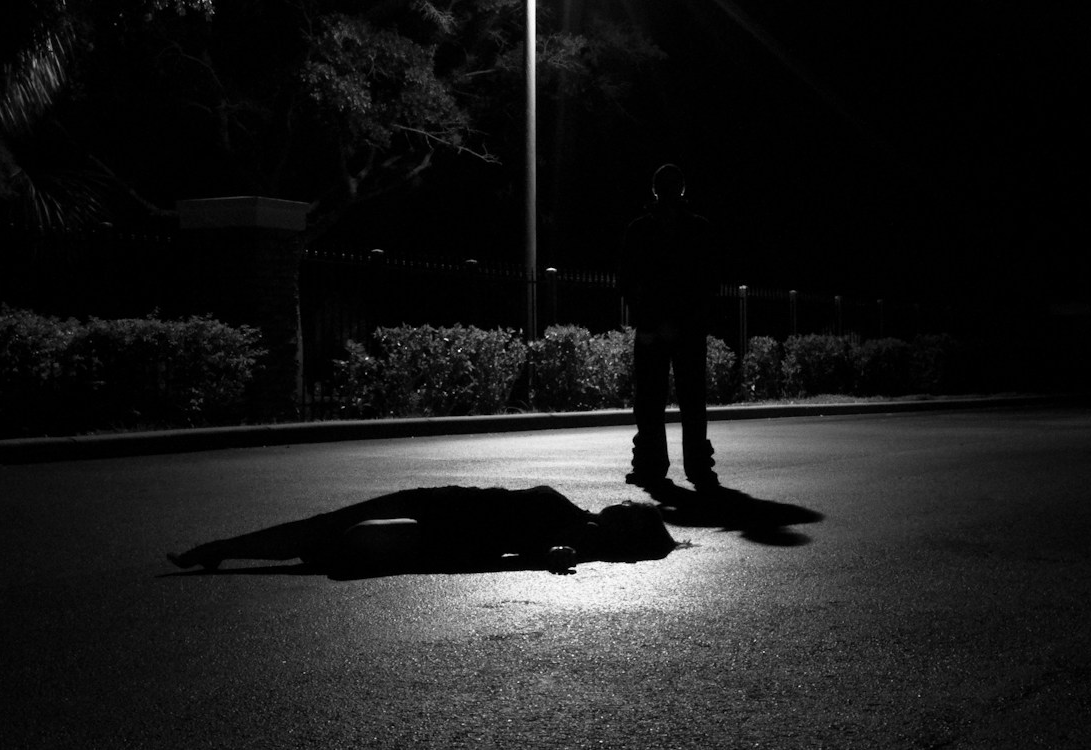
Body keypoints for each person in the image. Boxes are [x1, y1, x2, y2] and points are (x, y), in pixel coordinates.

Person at [165, 485, 676, 574]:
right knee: (320, 529)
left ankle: (227, 552)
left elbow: (540, 553)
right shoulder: (571, 514)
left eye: (629, 514)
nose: (621, 506)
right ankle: (219, 550)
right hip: (432, 503)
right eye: (627, 505)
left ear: (626, 535)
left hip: (439, 541)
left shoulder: (581, 545)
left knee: (341, 544)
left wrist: (556, 554)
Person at [617, 163, 720, 490]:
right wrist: (688, 321)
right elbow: (707, 282)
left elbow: (627, 281)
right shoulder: (699, 229)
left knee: (650, 400)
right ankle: (697, 463)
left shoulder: (639, 230)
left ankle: (651, 462)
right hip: (686, 328)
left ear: (655, 190)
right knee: (692, 399)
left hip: (653, 328)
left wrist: (648, 320)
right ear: (682, 190)